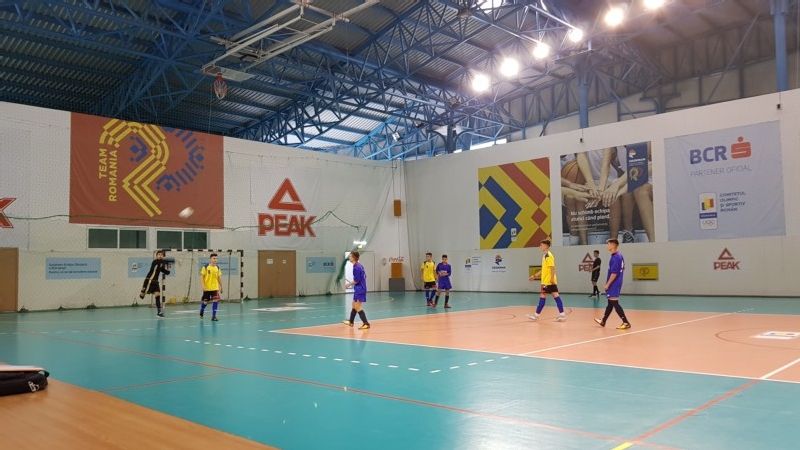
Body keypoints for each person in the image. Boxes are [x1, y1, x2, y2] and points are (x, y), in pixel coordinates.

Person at [595, 239, 631, 329]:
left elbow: (614, 273)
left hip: (614, 283)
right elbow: (623, 267)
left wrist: (608, 284)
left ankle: (626, 322)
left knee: (614, 302)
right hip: (616, 282)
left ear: (613, 245)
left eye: (608, 244)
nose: (607, 246)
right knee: (610, 303)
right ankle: (603, 321)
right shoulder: (618, 256)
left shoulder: (616, 257)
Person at [528, 240, 566, 322]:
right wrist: (534, 276)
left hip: (548, 282)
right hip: (546, 281)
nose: (540, 246)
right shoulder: (544, 255)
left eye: (541, 245)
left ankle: (536, 315)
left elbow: (552, 268)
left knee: (544, 296)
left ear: (546, 246)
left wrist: (551, 279)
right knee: (555, 296)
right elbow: (543, 269)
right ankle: (562, 315)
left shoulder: (548, 256)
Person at [139, 250, 171, 318]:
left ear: (163, 256)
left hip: (156, 282)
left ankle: (159, 312)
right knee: (142, 296)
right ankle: (143, 290)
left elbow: (164, 271)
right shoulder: (155, 262)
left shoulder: (161, 264)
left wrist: (168, 270)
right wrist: (166, 262)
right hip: (149, 280)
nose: (160, 256)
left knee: (157, 296)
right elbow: (158, 265)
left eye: (161, 255)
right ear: (156, 256)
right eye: (159, 254)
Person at [343, 251, 370, 329]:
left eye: (350, 256)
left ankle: (366, 323)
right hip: (359, 288)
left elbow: (356, 280)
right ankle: (351, 322)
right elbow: (364, 276)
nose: (349, 257)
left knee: (358, 306)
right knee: (353, 305)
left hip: (360, 289)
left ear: (354, 257)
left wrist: (348, 285)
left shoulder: (356, 267)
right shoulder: (359, 265)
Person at [199, 253, 223, 321]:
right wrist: (203, 286)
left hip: (215, 288)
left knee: (215, 301)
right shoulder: (205, 267)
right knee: (205, 302)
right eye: (214, 258)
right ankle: (202, 310)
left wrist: (221, 286)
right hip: (207, 288)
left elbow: (219, 278)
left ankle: (213, 316)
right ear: (210, 259)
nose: (215, 260)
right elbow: (202, 277)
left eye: (216, 258)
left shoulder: (217, 268)